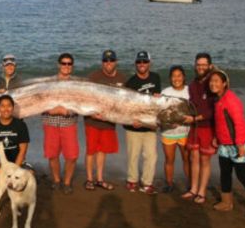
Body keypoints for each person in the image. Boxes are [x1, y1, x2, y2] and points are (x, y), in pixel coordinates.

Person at [209, 69, 245, 221]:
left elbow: (239, 123)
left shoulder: (231, 100)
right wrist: (216, 137)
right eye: (211, 81)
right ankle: (226, 202)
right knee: (225, 173)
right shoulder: (218, 99)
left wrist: (240, 145)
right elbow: (219, 123)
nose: (213, 84)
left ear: (224, 84)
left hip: (238, 144)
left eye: (216, 81)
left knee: (243, 176)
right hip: (224, 145)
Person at [83, 50, 126, 191]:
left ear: (116, 62)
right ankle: (89, 179)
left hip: (109, 121)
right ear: (102, 62)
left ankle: (100, 179)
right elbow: (85, 97)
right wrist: (92, 114)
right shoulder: (93, 76)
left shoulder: (122, 78)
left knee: (102, 151)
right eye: (105, 61)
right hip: (92, 120)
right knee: (91, 151)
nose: (108, 63)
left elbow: (126, 102)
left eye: (111, 60)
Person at [124, 51, 161, 195]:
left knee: (151, 156)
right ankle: (132, 180)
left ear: (149, 63)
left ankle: (147, 183)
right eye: (139, 62)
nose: (142, 64)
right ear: (135, 64)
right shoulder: (130, 82)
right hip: (133, 125)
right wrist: (133, 121)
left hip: (149, 126)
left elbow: (155, 103)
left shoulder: (156, 77)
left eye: (145, 61)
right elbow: (126, 105)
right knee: (133, 155)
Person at [42, 53, 79, 195]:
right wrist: (50, 110)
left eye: (69, 64)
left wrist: (67, 111)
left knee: (72, 156)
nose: (66, 66)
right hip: (50, 122)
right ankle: (57, 180)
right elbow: (39, 100)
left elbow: (81, 102)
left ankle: (67, 182)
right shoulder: (48, 82)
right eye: (64, 63)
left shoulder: (77, 84)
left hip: (68, 122)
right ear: (59, 65)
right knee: (52, 155)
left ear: (72, 66)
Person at [182, 53, 216, 204]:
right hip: (194, 127)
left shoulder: (213, 82)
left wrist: (195, 118)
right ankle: (193, 189)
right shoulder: (193, 84)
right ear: (195, 66)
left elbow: (213, 110)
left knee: (204, 160)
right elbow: (191, 106)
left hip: (208, 127)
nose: (201, 67)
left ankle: (202, 192)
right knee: (193, 158)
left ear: (210, 65)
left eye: (204, 64)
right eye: (198, 64)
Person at [160, 65, 190, 193]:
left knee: (187, 159)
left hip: (186, 133)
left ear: (183, 77)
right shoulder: (165, 92)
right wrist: (167, 122)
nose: (176, 78)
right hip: (168, 132)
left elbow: (194, 110)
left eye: (179, 75)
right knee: (169, 160)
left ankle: (191, 184)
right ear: (170, 78)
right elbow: (160, 113)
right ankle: (169, 183)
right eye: (173, 76)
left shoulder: (190, 91)